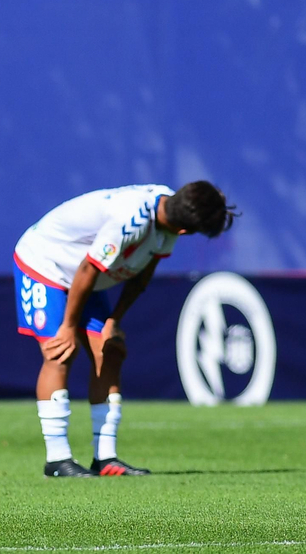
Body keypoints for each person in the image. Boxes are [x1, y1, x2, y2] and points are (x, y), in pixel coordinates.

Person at [13, 182, 236, 477]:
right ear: (185, 231)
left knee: (110, 353)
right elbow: (88, 269)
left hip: (85, 277)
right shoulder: (129, 220)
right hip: (45, 263)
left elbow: (141, 277)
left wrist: (114, 321)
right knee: (61, 352)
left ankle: (105, 458)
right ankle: (56, 459)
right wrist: (67, 326)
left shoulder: (168, 212)